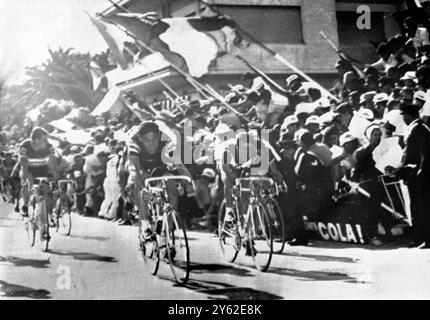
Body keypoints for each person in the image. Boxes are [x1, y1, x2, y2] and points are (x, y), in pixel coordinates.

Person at [126, 121, 193, 240]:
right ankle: (145, 224)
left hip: (159, 164)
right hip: (141, 165)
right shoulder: (134, 141)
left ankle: (166, 231)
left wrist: (188, 182)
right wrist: (142, 189)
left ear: (159, 136)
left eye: (154, 139)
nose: (151, 144)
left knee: (171, 183)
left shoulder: (166, 140)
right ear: (141, 139)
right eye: (147, 140)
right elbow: (134, 169)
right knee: (138, 185)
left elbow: (179, 164)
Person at [393, 103, 430, 248]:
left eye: (404, 116)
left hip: (420, 176)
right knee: (417, 207)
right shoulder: (418, 128)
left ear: (408, 115)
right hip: (416, 174)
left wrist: (419, 172)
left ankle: (423, 238)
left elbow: (424, 155)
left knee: (420, 208)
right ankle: (420, 238)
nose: (403, 119)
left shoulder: (419, 130)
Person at [18, 127, 60, 239]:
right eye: (44, 139)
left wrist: (53, 178)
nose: (46, 142)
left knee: (46, 192)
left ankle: (47, 221)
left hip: (43, 169)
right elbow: (23, 165)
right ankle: (25, 205)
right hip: (29, 168)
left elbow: (53, 164)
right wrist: (25, 180)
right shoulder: (25, 146)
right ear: (36, 140)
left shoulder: (49, 147)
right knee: (26, 184)